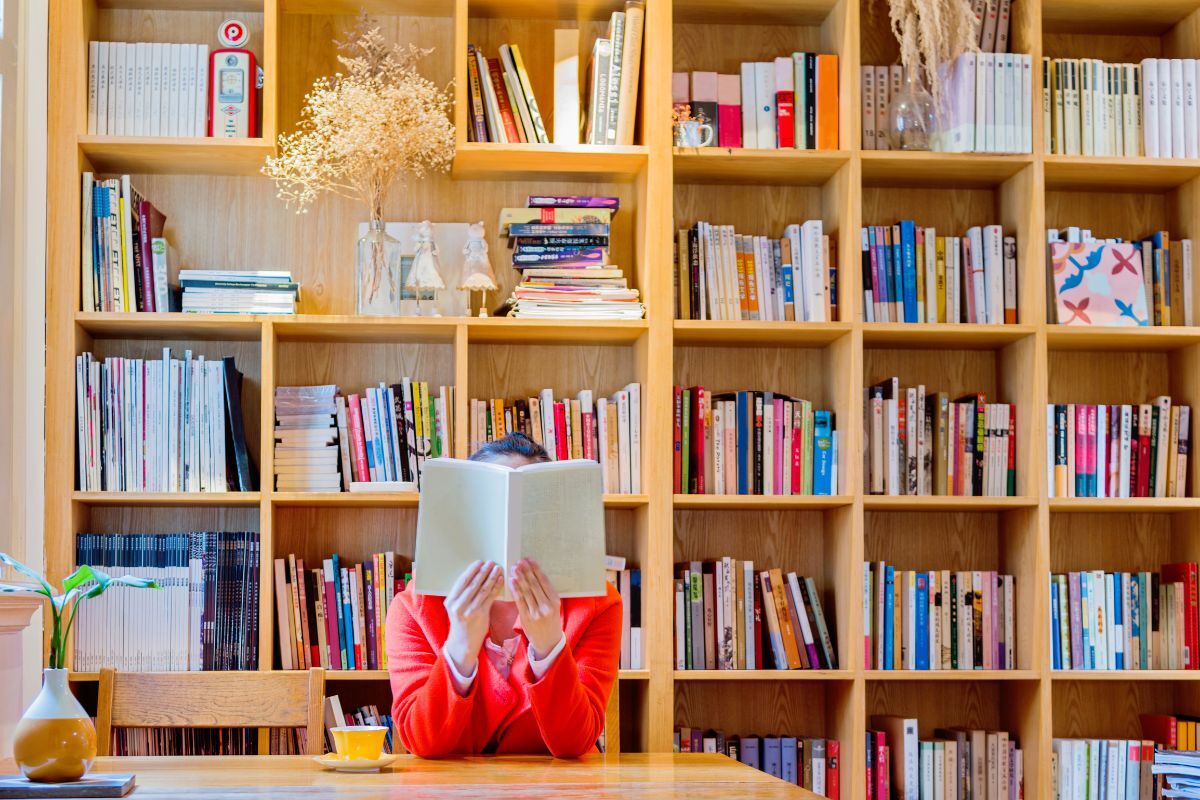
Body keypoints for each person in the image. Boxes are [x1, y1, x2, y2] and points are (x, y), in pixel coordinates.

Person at [386, 433, 622, 758]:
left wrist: (549, 645)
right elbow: (423, 742)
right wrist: (460, 646)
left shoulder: (599, 603)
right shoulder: (414, 606)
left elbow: (574, 745)